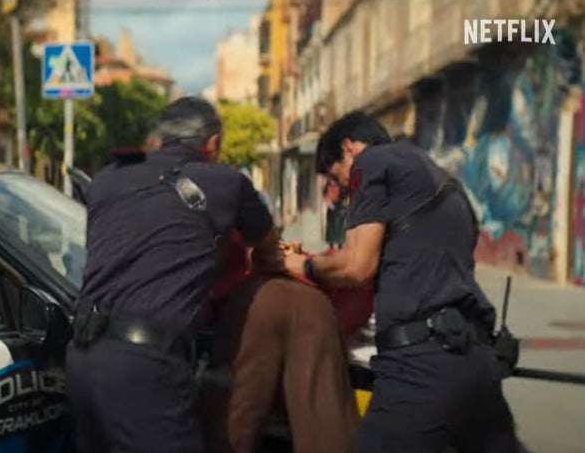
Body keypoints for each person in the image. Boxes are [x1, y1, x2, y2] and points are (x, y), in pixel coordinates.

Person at [285, 111, 518, 453]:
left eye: (339, 178)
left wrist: (302, 265)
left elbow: (356, 266)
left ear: (348, 148)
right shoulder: (447, 184)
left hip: (419, 369)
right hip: (477, 362)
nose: (346, 192)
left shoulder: (373, 162)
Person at [66, 96, 283, 453]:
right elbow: (268, 246)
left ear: (159, 138)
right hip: (145, 367)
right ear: (212, 143)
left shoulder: (107, 179)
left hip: (83, 358)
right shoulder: (225, 182)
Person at [199, 231, 363, 453]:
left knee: (232, 429)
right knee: (326, 429)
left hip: (244, 305)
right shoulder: (239, 203)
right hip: (310, 302)